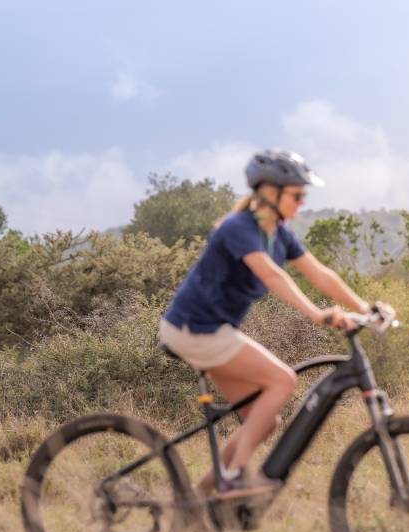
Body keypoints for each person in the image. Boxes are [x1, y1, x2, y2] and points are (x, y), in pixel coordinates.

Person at [159, 149, 391, 501]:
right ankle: (235, 475)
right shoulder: (239, 229)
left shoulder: (280, 234)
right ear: (270, 193)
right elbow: (271, 275)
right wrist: (317, 314)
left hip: (213, 332)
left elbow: (320, 274)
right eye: (297, 195)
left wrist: (363, 308)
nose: (302, 202)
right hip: (195, 330)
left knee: (264, 421)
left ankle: (198, 499)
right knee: (282, 380)